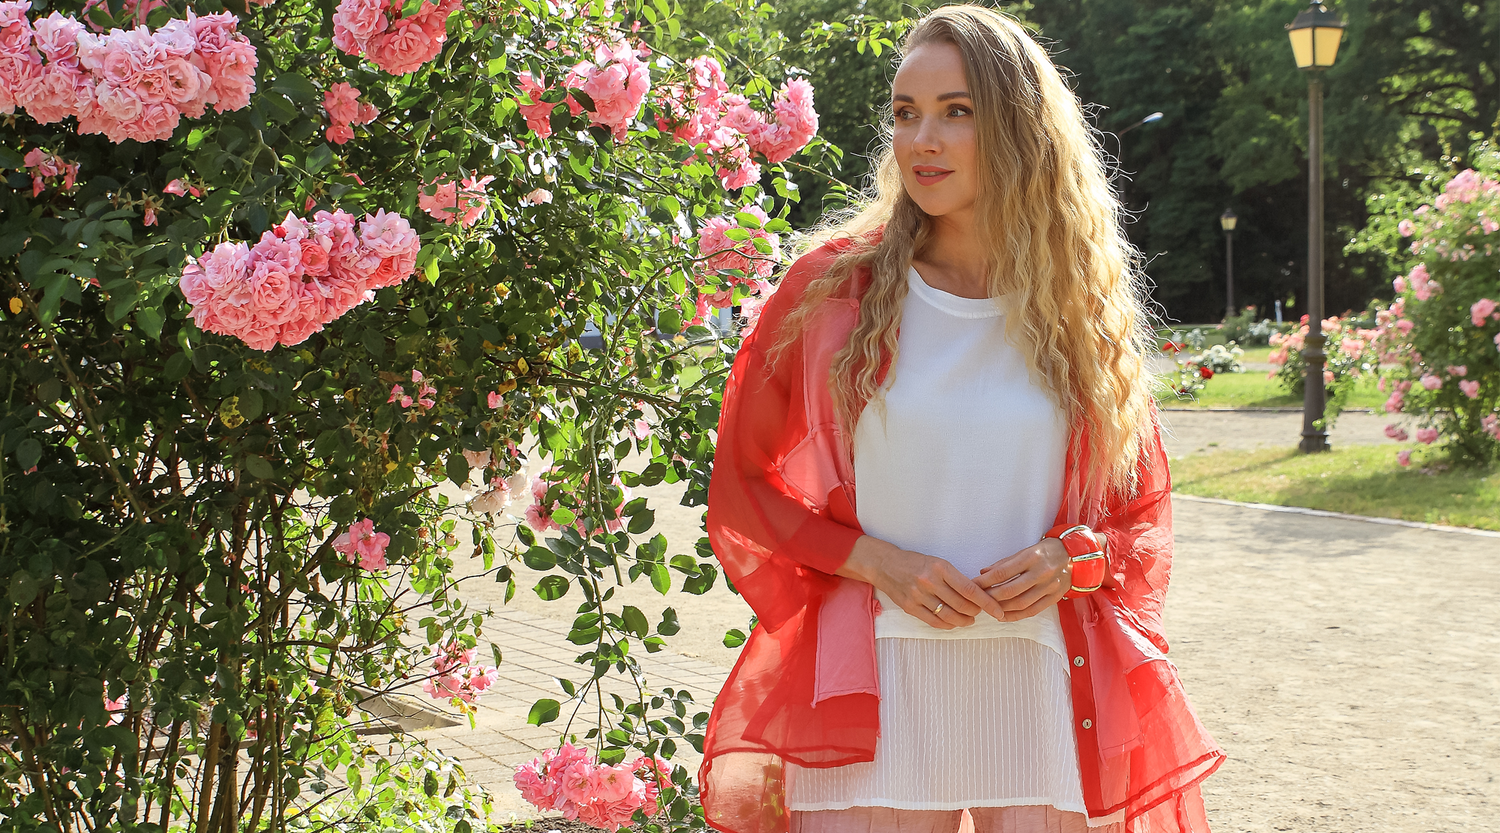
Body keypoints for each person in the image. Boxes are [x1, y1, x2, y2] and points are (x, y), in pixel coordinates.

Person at [699, 6, 1223, 833]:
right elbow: (743, 485)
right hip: (879, 685)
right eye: (906, 113)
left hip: (1043, 687)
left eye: (956, 111)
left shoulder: (1079, 309)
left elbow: (1139, 516)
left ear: (1018, 127)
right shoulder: (832, 292)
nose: (922, 140)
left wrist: (1070, 558)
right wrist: (875, 560)